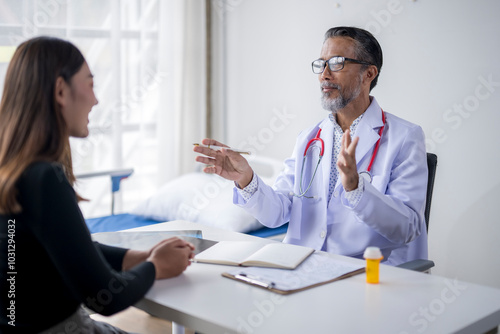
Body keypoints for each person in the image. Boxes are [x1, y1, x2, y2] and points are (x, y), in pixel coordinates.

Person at [0, 36, 195, 333]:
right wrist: (156, 266)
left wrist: (133, 258)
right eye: (90, 84)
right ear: (61, 91)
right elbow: (105, 296)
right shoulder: (44, 180)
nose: (96, 99)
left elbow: (69, 248)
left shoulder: (13, 172)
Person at [194, 26, 428, 266]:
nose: (324, 75)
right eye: (321, 64)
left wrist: (356, 189)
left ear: (369, 73)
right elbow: (279, 213)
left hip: (366, 273)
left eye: (337, 63)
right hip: (303, 265)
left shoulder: (405, 137)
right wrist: (246, 179)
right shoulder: (310, 139)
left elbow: (407, 228)